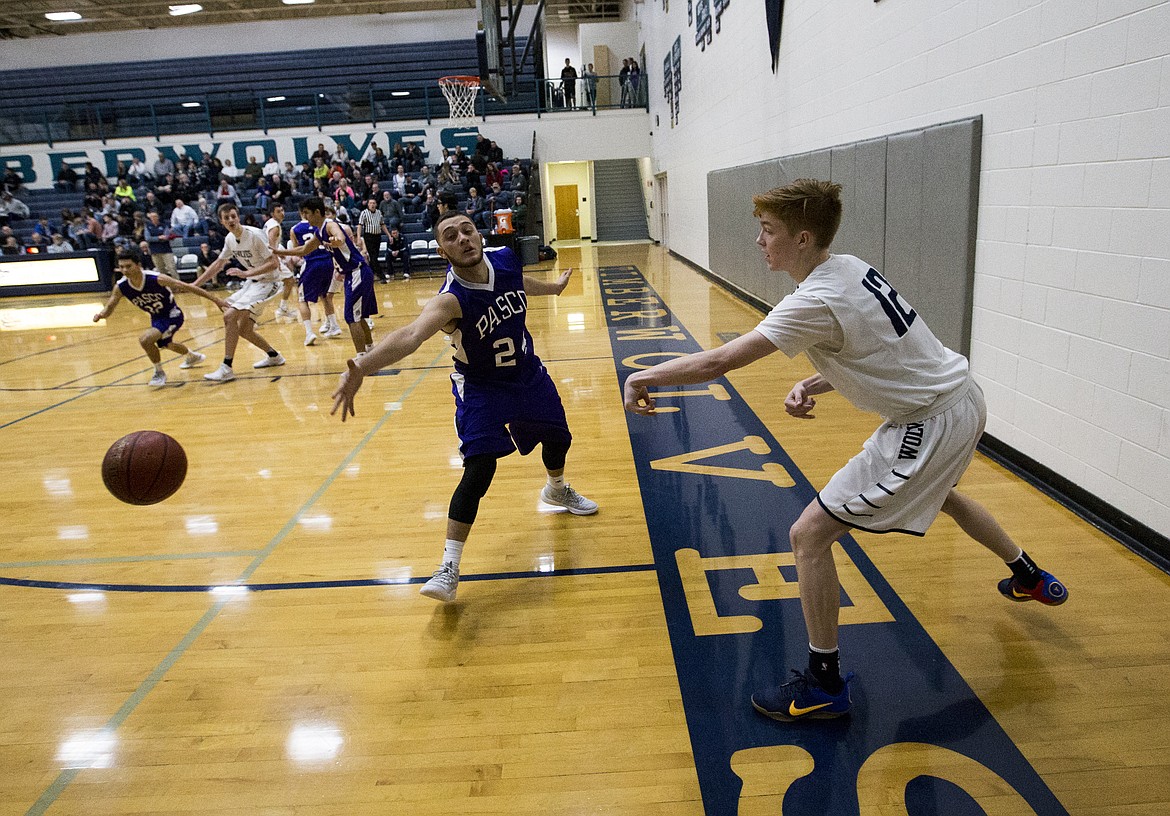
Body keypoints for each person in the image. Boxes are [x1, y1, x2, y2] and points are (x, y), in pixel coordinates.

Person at [622, 179, 1069, 722]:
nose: (760, 241)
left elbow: (719, 362)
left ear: (803, 238)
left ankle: (823, 684)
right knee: (944, 495)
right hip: (960, 400)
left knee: (808, 535)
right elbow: (886, 349)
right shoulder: (848, 267)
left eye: (769, 231)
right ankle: (1026, 574)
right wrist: (815, 383)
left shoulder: (813, 300)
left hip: (927, 423)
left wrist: (645, 376)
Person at [329, 211, 598, 603]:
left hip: (525, 372)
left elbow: (518, 285)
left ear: (479, 235)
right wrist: (361, 365)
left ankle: (556, 490)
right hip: (480, 386)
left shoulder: (506, 258)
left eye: (468, 230)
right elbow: (409, 335)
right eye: (451, 236)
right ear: (442, 251)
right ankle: (448, 566)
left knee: (559, 439)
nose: (463, 239)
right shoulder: (449, 300)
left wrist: (553, 289)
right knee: (480, 467)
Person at [93, 246, 226, 387]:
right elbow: (110, 306)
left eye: (128, 266)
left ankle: (159, 372)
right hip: (156, 318)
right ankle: (193, 356)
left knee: (145, 340)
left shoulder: (156, 278)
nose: (125, 270)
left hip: (172, 314)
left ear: (138, 265)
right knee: (167, 344)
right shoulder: (121, 287)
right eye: (121, 267)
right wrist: (101, 315)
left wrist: (216, 300)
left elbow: (187, 287)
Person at [192, 203, 287, 382]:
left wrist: (246, 273)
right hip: (253, 284)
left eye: (233, 216)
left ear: (238, 217)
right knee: (244, 329)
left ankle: (226, 367)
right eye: (226, 218)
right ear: (222, 222)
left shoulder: (255, 235)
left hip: (270, 283)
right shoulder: (229, 239)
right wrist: (195, 284)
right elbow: (218, 264)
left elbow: (274, 263)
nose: (231, 220)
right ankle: (274, 356)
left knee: (229, 316)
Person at [277, 197, 376, 355]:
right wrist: (277, 251)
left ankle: (362, 356)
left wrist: (338, 241)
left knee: (351, 317)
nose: (305, 217)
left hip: (357, 272)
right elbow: (303, 250)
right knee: (359, 315)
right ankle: (371, 349)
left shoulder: (330, 224)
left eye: (307, 213)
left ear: (317, 212)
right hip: (353, 273)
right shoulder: (319, 231)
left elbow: (340, 236)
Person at [273, 197, 344, 346]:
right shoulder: (322, 226)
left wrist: (282, 253)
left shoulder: (295, 229)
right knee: (325, 296)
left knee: (302, 299)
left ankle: (309, 333)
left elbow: (300, 251)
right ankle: (334, 325)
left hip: (312, 263)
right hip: (329, 262)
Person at [263, 204, 298, 320]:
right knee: (288, 281)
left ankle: (283, 308)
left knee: (286, 281)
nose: (282, 213)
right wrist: (275, 260)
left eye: (282, 210)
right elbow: (270, 245)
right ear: (273, 214)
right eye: (278, 211)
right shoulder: (275, 227)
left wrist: (281, 253)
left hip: (265, 258)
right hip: (268, 259)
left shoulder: (270, 223)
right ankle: (281, 308)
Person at [357, 198, 391, 281]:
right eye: (370, 203)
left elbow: (382, 225)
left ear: (376, 204)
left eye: (374, 203)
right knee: (373, 257)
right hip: (369, 237)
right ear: (368, 204)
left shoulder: (379, 213)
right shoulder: (364, 213)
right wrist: (358, 237)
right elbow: (360, 225)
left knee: (374, 257)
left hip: (377, 236)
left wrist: (389, 235)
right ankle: (381, 276)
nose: (372, 205)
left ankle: (369, 275)